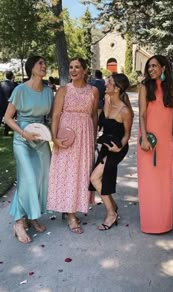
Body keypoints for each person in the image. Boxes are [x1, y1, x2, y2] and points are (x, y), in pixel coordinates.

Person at [4, 56, 54, 243]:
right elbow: (8, 118)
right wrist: (24, 134)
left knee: (42, 179)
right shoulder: (20, 90)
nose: (44, 66)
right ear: (31, 68)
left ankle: (32, 216)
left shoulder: (49, 92)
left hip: (40, 138)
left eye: (44, 63)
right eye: (40, 63)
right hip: (22, 139)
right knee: (29, 179)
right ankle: (18, 221)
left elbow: (50, 118)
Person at [47, 57, 99, 234]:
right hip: (67, 134)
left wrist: (93, 139)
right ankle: (70, 214)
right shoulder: (63, 90)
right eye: (71, 67)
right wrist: (54, 138)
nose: (73, 70)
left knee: (80, 173)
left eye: (77, 67)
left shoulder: (93, 90)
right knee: (66, 172)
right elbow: (55, 115)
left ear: (84, 70)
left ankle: (71, 207)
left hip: (85, 135)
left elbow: (93, 116)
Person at [138, 55, 173, 234]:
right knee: (149, 182)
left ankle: (164, 223)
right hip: (149, 140)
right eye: (149, 66)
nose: (151, 69)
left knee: (164, 182)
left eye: (154, 66)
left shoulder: (171, 87)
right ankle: (150, 223)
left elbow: (171, 114)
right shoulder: (145, 87)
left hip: (166, 140)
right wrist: (144, 138)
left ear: (163, 68)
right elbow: (142, 115)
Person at [90, 73, 133, 230]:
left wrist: (119, 147)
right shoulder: (106, 100)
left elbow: (127, 135)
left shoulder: (125, 111)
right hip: (105, 144)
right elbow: (100, 122)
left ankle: (111, 214)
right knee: (101, 179)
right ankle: (113, 206)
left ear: (117, 88)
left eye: (109, 82)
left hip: (117, 147)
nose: (105, 84)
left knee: (95, 178)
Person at [1, 71, 18, 135]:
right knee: (9, 117)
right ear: (11, 76)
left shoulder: (1, 84)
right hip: (10, 104)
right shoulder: (13, 85)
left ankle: (7, 128)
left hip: (2, 103)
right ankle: (6, 129)